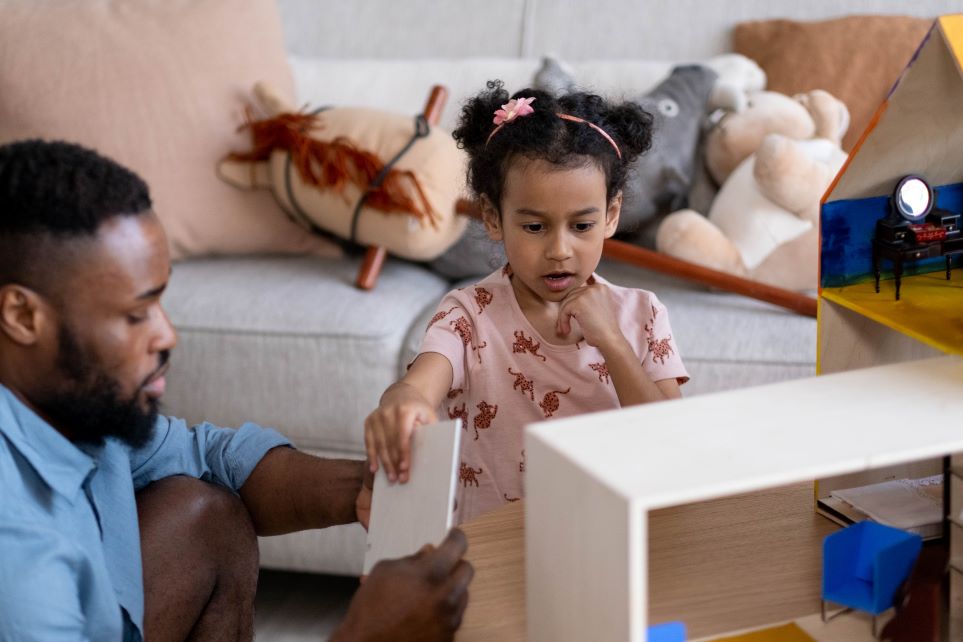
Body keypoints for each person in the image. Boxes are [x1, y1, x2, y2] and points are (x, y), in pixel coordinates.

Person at [0, 139, 473, 641]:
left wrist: (365, 486)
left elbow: (206, 457)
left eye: (159, 303)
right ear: (23, 317)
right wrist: (370, 633)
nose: (166, 335)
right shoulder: (18, 553)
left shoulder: (70, 403)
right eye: (136, 314)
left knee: (207, 515)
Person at [365, 82, 690, 524]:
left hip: (611, 538)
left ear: (611, 215)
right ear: (493, 217)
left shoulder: (643, 314)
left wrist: (612, 341)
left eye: (582, 226)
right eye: (535, 227)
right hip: (492, 545)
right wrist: (402, 401)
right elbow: (419, 387)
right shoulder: (467, 316)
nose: (559, 250)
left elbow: (671, 438)